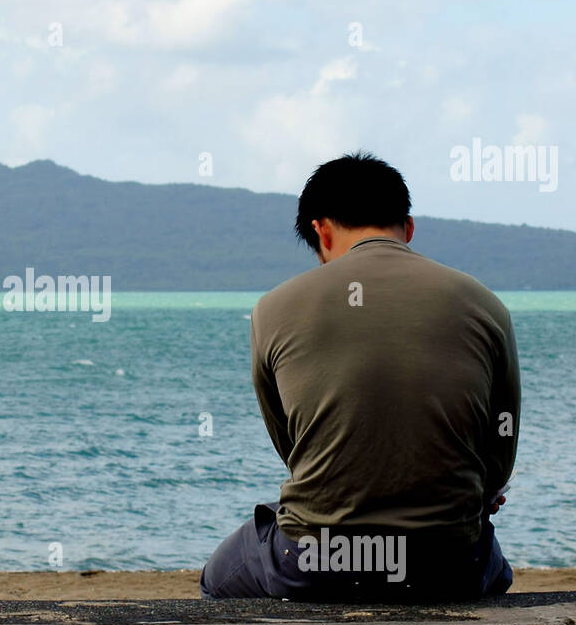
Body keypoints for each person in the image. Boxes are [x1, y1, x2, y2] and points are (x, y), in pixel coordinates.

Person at [201, 152, 518, 601]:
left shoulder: (272, 308)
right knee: (492, 566)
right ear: (407, 229)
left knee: (219, 578)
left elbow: (293, 448)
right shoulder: (485, 304)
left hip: (319, 561)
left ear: (320, 230)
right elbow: (498, 461)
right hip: (447, 562)